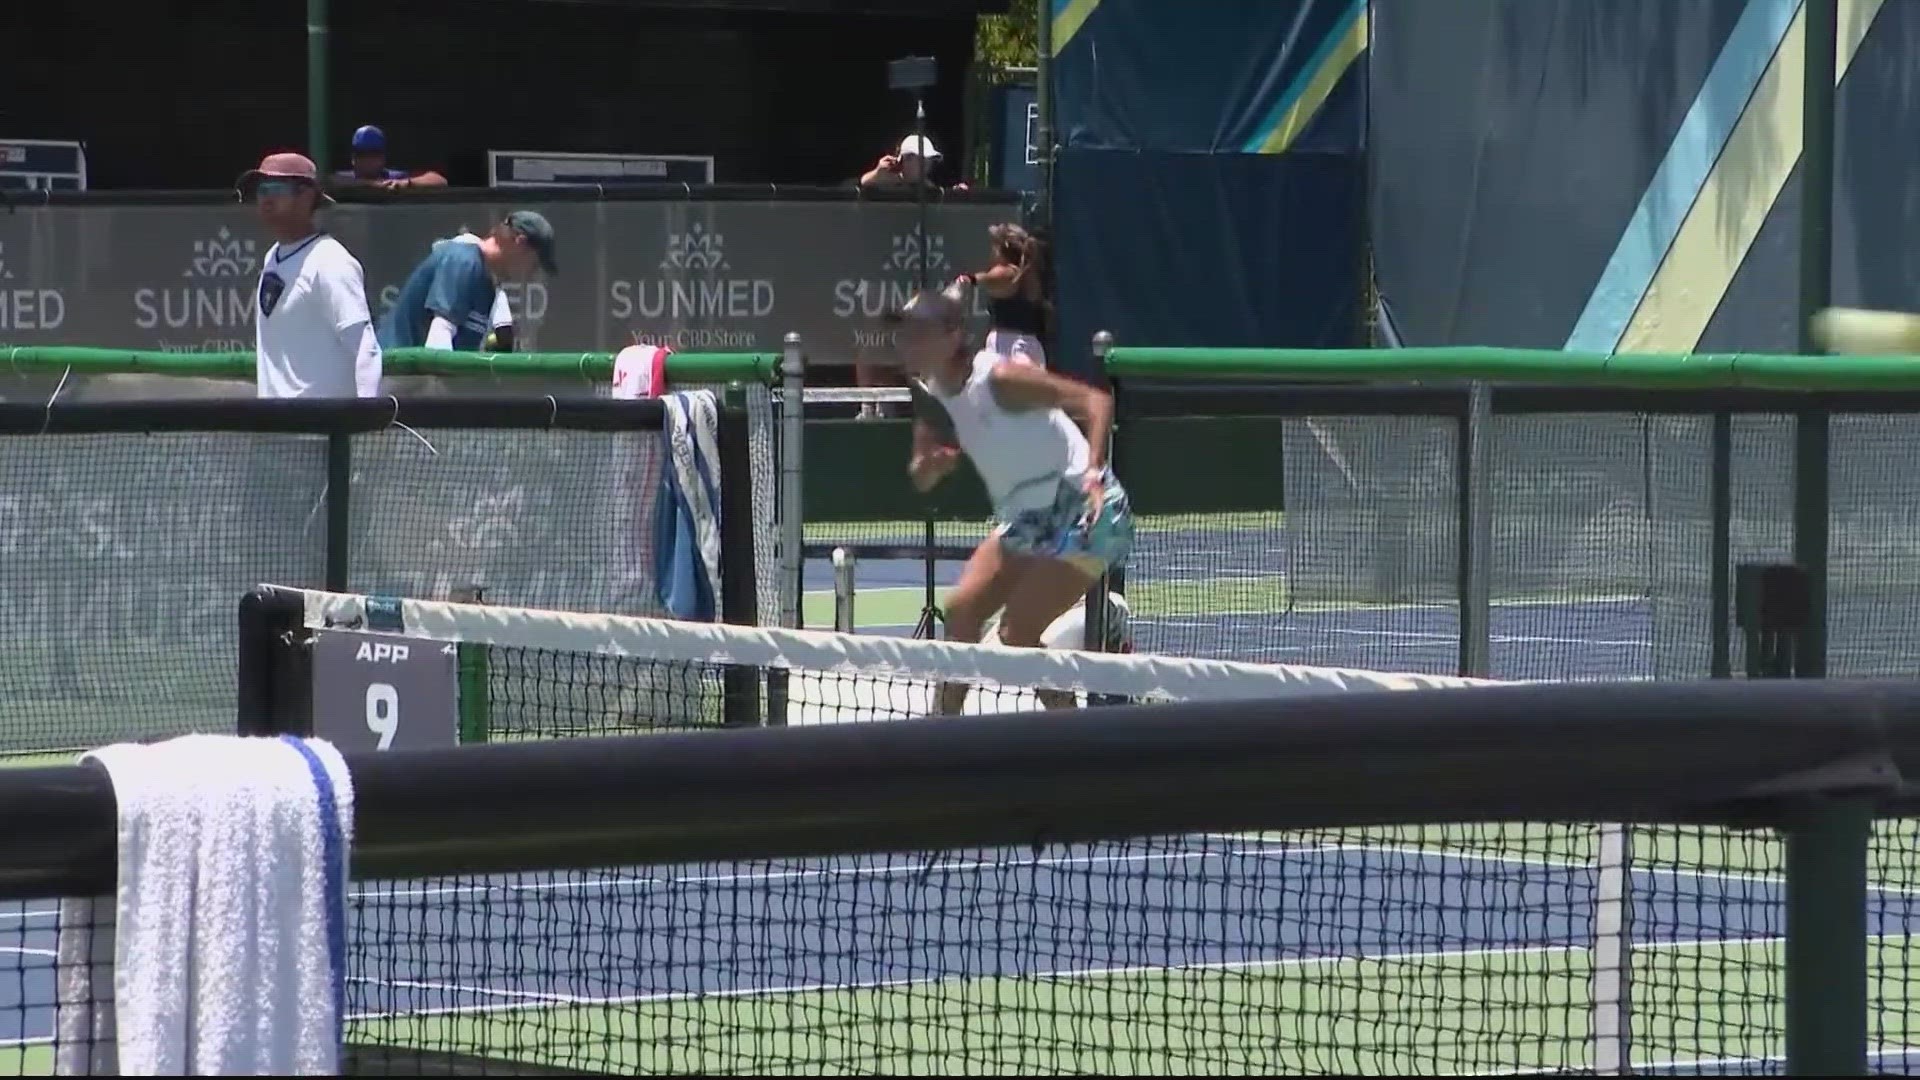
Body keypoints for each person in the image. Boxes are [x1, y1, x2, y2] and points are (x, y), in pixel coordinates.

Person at [893, 288, 1135, 713]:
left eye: (919, 333)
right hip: (1025, 517)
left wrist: (1095, 473)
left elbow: (1095, 401)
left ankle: (1075, 740)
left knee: (1017, 632)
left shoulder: (1001, 379)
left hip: (1085, 511)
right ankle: (937, 739)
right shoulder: (931, 395)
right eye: (904, 334)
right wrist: (932, 467)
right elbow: (921, 476)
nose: (907, 343)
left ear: (952, 336)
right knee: (962, 612)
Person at [238, 152, 381, 398]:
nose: (266, 200)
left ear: (306, 196)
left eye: (276, 188)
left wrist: (367, 420)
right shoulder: (272, 257)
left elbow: (365, 349)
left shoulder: (331, 262)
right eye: (262, 191)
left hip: (322, 433)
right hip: (275, 430)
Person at [377, 211, 556, 351]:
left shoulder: (489, 281)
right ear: (520, 243)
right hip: (394, 379)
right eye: (535, 263)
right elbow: (439, 341)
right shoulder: (463, 260)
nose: (533, 273)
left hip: (414, 385)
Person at [955, 222, 1051, 367]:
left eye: (994, 246)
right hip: (1030, 348)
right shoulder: (1029, 275)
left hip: (1010, 349)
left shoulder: (1009, 272)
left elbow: (991, 278)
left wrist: (971, 279)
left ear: (1001, 249)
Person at [334, 125, 447, 190]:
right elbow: (331, 181)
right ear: (353, 158)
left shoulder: (393, 178)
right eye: (362, 154)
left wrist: (406, 183)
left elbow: (440, 180)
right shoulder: (344, 179)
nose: (368, 160)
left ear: (383, 157)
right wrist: (372, 185)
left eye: (374, 154)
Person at [858, 134, 959, 192]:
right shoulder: (885, 181)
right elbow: (858, 185)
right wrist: (876, 174)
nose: (926, 165)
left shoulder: (928, 187)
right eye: (921, 160)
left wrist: (956, 194)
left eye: (929, 159)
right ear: (905, 160)